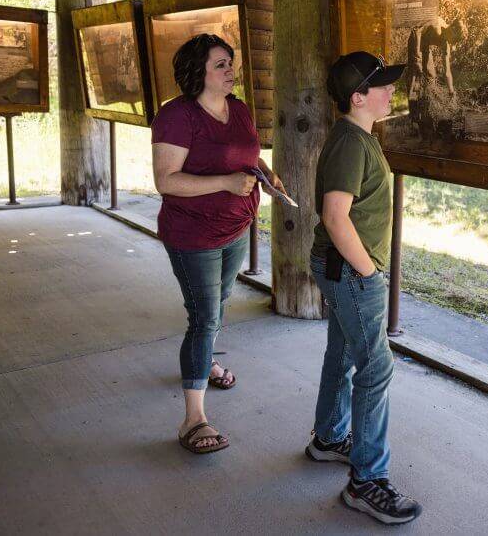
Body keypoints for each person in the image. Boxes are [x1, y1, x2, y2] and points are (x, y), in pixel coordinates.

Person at [151, 33, 286, 454]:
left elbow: (247, 154)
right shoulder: (176, 116)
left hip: (235, 228)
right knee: (205, 318)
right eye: (221, 65)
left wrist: (265, 173)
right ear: (199, 73)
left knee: (217, 303)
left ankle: (204, 361)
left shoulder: (240, 109)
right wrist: (226, 182)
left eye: (231, 62)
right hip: (192, 234)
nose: (232, 71)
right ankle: (194, 419)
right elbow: (166, 181)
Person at [305, 51, 423, 525]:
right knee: (375, 366)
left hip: (343, 270)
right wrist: (370, 275)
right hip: (352, 272)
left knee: (344, 353)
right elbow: (335, 216)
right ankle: (366, 481)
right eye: (383, 85)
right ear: (358, 97)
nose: (392, 91)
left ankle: (330, 438)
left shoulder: (359, 136)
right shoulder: (352, 143)